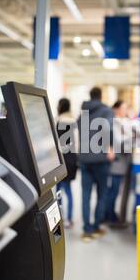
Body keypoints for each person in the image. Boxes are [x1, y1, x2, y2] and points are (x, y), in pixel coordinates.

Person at [77, 87, 115, 241]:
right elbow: (109, 130)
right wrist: (110, 147)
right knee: (102, 193)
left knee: (85, 194)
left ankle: (87, 230)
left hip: (85, 158)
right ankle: (97, 226)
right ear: (101, 96)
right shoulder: (106, 111)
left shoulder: (82, 113)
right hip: (100, 158)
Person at [105, 100, 133, 224]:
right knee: (113, 191)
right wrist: (131, 137)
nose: (125, 110)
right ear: (116, 109)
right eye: (123, 108)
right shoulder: (114, 123)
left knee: (114, 191)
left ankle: (110, 214)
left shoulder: (123, 122)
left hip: (122, 162)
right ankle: (110, 216)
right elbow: (118, 143)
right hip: (117, 163)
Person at [56, 98, 78, 229]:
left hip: (60, 160)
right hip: (71, 159)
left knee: (58, 191)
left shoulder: (58, 121)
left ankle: (59, 217)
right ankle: (69, 219)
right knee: (68, 190)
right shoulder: (74, 121)